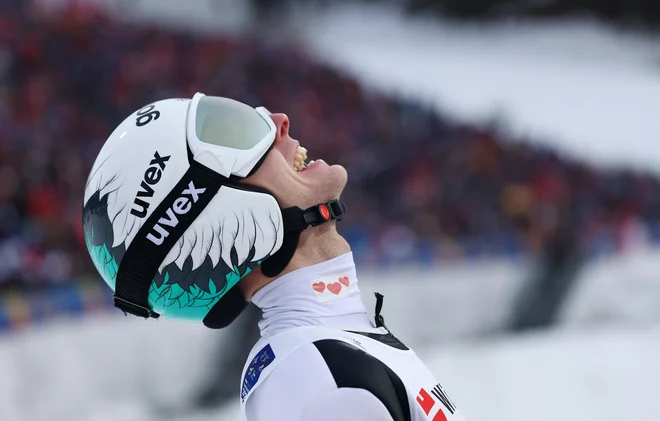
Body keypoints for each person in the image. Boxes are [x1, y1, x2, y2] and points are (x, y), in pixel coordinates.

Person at [82, 93, 468, 421]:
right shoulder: (326, 382)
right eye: (238, 132)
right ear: (217, 210)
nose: (279, 121)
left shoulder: (327, 361)